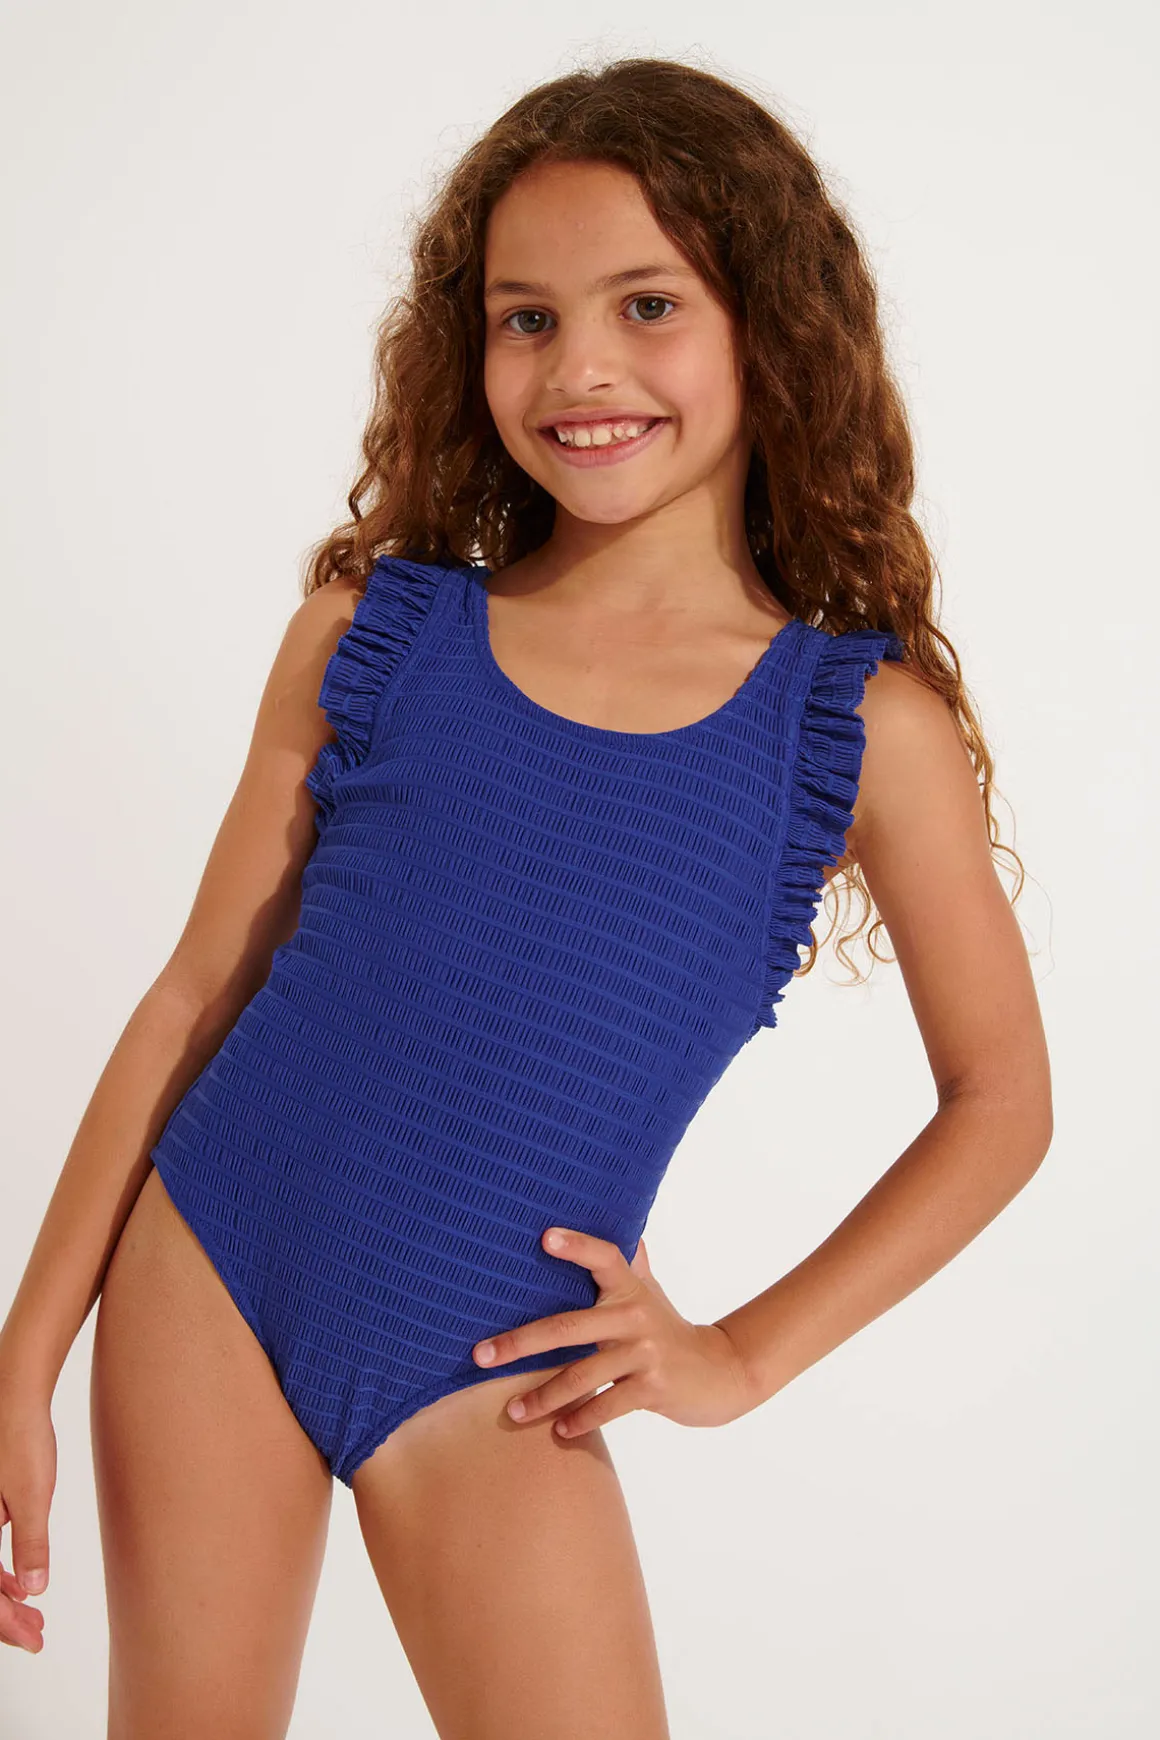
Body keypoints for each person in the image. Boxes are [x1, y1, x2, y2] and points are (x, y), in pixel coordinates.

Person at [0, 54, 1052, 1739]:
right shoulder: (374, 636)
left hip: (501, 1361)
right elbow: (197, 992)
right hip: (214, 1262)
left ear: (774, 331)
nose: (581, 370)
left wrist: (739, 1356)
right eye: (526, 319)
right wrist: (27, 1348)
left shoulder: (858, 731)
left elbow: (1002, 1102)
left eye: (649, 305)